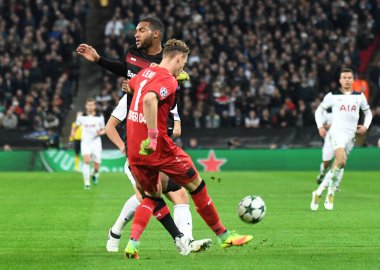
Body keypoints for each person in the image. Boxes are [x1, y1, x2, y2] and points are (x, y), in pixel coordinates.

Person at [76, 17, 211, 253]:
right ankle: (178, 240)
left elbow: (168, 96)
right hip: (140, 141)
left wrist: (176, 119)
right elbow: (126, 72)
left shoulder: (167, 65)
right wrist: (99, 60)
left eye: (141, 30)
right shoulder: (133, 63)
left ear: (156, 34)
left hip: (160, 141)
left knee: (166, 194)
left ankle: (182, 241)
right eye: (136, 30)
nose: (136, 34)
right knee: (152, 195)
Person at [124, 38, 253, 259]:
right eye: (183, 63)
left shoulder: (146, 73)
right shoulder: (167, 80)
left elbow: (133, 85)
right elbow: (149, 100)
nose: (184, 67)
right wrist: (153, 137)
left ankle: (133, 243)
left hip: (135, 151)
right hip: (158, 148)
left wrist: (174, 77)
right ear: (178, 58)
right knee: (197, 186)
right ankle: (224, 236)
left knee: (152, 196)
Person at [311, 68, 373, 211]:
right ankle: (330, 193)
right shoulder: (332, 96)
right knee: (341, 160)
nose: (346, 80)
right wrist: (320, 126)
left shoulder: (360, 97)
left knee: (339, 165)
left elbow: (368, 114)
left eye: (349, 77)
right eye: (344, 77)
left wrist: (366, 125)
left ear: (353, 80)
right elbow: (318, 111)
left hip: (351, 136)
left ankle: (319, 192)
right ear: (340, 80)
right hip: (336, 132)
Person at [73, 98, 105, 189]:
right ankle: (87, 183)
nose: (90, 106)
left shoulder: (99, 117)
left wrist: (101, 132)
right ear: (86, 106)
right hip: (86, 142)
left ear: (94, 106)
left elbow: (104, 129)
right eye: (89, 105)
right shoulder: (81, 116)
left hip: (96, 142)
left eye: (92, 105)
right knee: (86, 160)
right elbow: (76, 126)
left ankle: (94, 174)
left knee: (96, 166)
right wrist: (73, 132)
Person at [315, 110, 334, 185]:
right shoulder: (326, 112)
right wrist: (331, 125)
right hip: (329, 139)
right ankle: (322, 174)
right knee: (326, 163)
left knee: (340, 161)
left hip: (341, 138)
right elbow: (322, 126)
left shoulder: (343, 109)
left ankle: (334, 184)